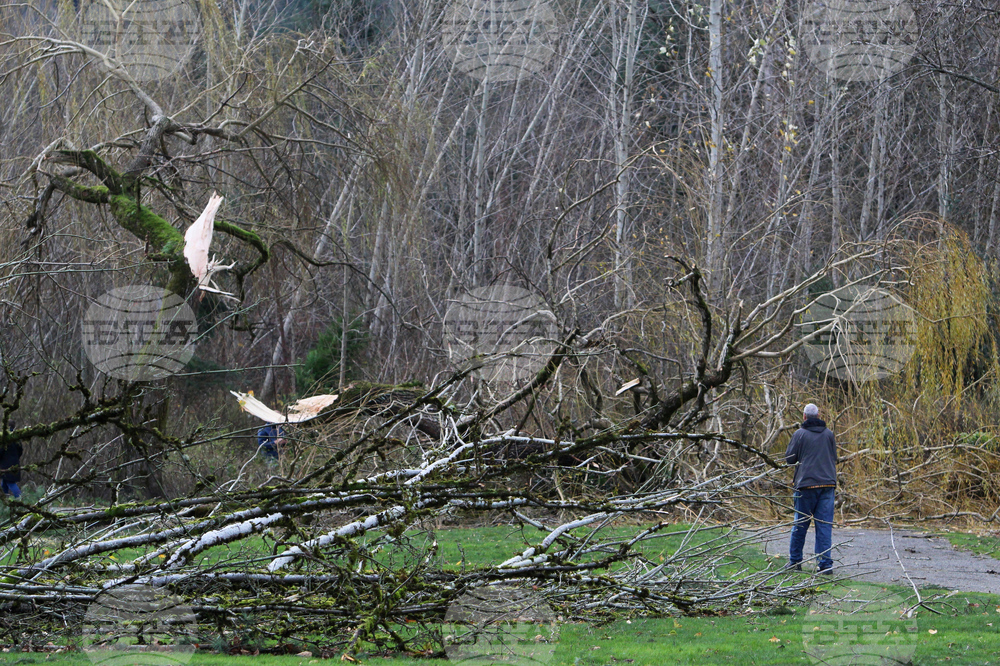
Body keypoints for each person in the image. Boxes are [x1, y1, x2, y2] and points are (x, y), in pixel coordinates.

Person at [785, 403, 837, 573]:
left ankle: (795, 561)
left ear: (804, 416)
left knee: (800, 525)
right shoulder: (829, 434)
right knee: (824, 525)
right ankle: (825, 565)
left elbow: (790, 459)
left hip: (806, 485)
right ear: (819, 415)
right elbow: (834, 457)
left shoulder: (799, 434)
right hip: (828, 484)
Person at [0, 422, 23, 499]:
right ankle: (3, 503)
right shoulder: (16, 438)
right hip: (15, 464)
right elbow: (20, 451)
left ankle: (20, 500)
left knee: (11, 483)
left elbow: (1, 451)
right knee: (4, 484)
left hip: (6, 466)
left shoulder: (5, 438)